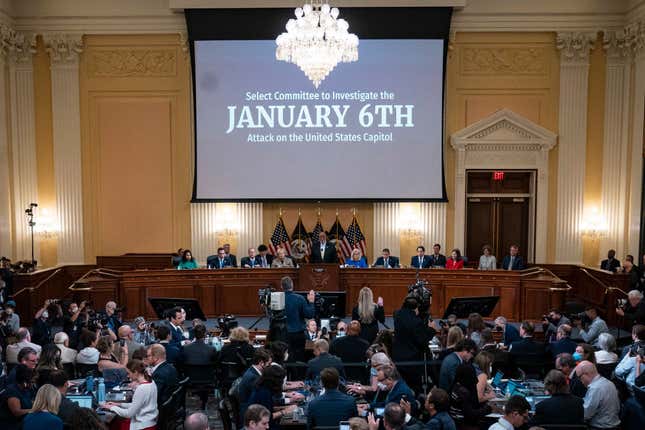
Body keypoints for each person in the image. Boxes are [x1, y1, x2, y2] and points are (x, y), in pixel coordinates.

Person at [104, 359, 158, 430]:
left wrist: (111, 408)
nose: (128, 376)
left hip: (142, 426)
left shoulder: (142, 388)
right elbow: (138, 405)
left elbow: (129, 414)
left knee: (110, 424)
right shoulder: (152, 382)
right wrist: (118, 404)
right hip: (149, 422)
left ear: (135, 372)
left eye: (129, 373)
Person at [247, 365, 297, 430]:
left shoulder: (263, 387)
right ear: (275, 381)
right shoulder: (264, 393)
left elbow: (269, 408)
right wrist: (285, 411)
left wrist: (286, 407)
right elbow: (267, 417)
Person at [576, 361, 621, 429]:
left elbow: (585, 415)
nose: (580, 381)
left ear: (586, 374)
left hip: (600, 427)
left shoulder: (595, 388)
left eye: (579, 377)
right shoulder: (609, 383)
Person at [282, 276, 315, 363]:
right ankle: (299, 375)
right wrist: (311, 302)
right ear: (292, 285)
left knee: (284, 357)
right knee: (299, 357)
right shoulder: (299, 298)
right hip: (298, 333)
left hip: (283, 333)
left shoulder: (277, 298)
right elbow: (309, 315)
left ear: (282, 286)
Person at [449, 364, 492, 430]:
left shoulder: (456, 386)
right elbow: (471, 414)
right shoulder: (463, 392)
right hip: (463, 424)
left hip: (455, 420)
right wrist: (488, 408)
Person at [238, 348, 273, 422]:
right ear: (261, 363)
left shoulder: (252, 371)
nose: (270, 367)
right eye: (269, 364)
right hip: (250, 416)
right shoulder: (253, 378)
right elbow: (262, 401)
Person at [0, 365, 37, 430]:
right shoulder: (12, 390)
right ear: (24, 382)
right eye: (32, 382)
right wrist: (35, 410)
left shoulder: (26, 389)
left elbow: (29, 401)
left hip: (22, 422)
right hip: (11, 425)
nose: (33, 384)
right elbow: (17, 412)